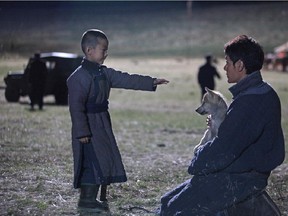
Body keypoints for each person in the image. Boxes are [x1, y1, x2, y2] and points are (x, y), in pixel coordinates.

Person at [156, 35, 285, 215]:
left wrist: (198, 159)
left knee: (174, 208)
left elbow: (224, 149)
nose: (224, 67)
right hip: (244, 170)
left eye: (228, 62)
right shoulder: (264, 91)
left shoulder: (249, 101)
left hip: (241, 177)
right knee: (168, 201)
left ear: (240, 65)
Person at [66, 29, 169, 213]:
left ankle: (94, 198)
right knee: (90, 161)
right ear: (89, 50)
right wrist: (82, 132)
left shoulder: (104, 73)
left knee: (103, 159)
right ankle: (86, 200)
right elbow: (76, 107)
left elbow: (126, 79)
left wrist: (150, 82)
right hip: (88, 127)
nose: (106, 54)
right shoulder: (78, 78)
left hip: (102, 124)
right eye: (103, 49)